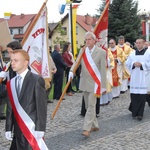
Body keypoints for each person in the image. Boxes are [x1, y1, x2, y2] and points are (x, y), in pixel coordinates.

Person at [5, 50, 48, 150]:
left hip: (31, 130)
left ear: (25, 62)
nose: (12, 63)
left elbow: (41, 107)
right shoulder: (11, 82)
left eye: (16, 60)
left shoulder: (36, 80)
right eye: (11, 60)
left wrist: (40, 128)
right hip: (17, 132)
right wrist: (8, 128)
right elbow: (10, 108)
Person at [69, 31, 107, 137]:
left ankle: (86, 128)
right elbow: (76, 62)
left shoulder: (101, 52)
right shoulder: (83, 51)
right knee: (87, 106)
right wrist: (71, 71)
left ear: (94, 40)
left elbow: (103, 70)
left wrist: (103, 86)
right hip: (84, 82)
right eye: (86, 39)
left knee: (91, 105)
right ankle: (95, 125)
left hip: (95, 84)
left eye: (89, 39)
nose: (87, 41)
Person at [126, 38, 150, 121]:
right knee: (134, 95)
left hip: (143, 77)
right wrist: (133, 64)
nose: (138, 44)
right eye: (137, 43)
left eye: (140, 43)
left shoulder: (148, 53)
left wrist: (142, 64)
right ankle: (134, 112)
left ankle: (140, 114)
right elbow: (127, 63)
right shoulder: (132, 54)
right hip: (135, 78)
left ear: (143, 44)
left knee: (142, 96)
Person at [0, 41, 22, 120]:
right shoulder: (10, 64)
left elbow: (16, 84)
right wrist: (4, 79)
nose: (8, 54)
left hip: (19, 98)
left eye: (10, 52)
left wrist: (2, 94)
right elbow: (10, 81)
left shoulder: (20, 65)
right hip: (12, 97)